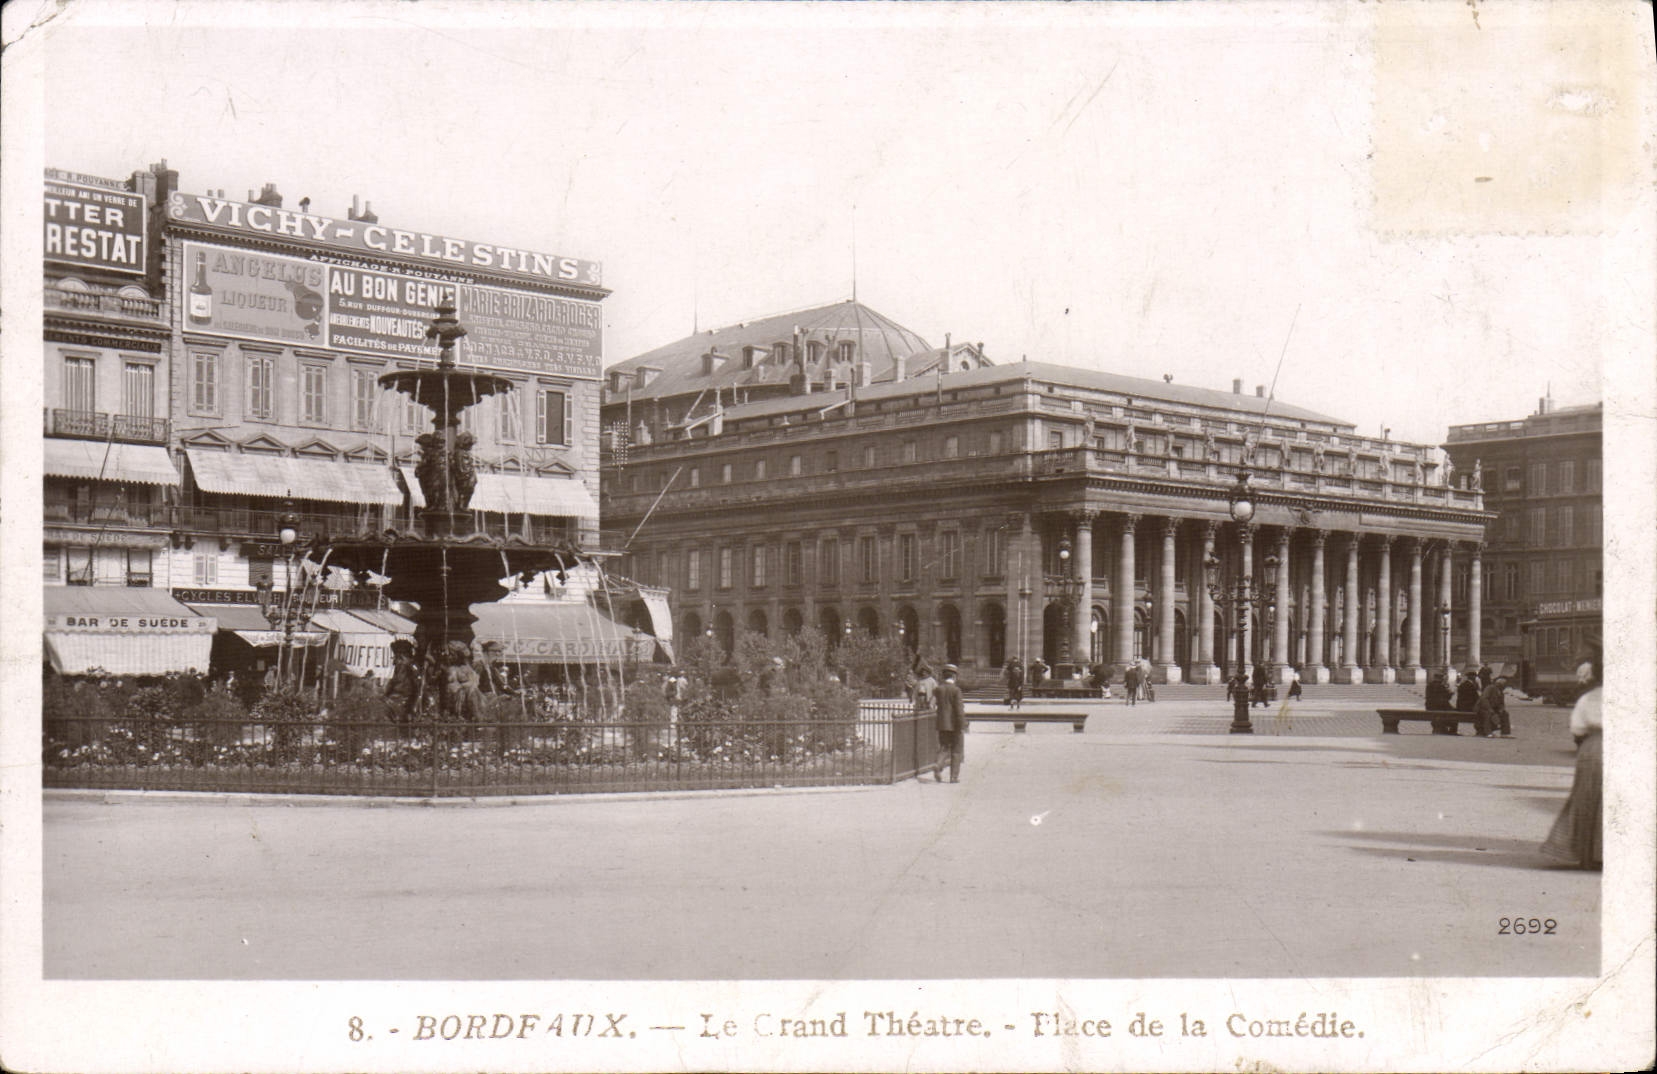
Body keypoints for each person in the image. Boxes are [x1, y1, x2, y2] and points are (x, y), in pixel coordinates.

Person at [1541, 653, 1601, 869]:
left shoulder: (1588, 698)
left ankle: (1587, 856)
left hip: (1594, 748)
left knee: (1587, 800)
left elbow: (1577, 728)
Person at [933, 664, 966, 784]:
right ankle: (953, 777)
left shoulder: (938, 689)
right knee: (956, 751)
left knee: (944, 748)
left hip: (942, 724)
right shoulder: (956, 690)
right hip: (955, 725)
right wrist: (963, 724)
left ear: (943, 676)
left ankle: (938, 764)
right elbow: (959, 709)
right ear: (954, 676)